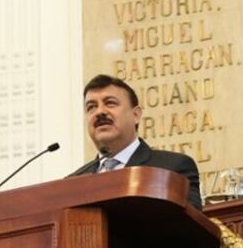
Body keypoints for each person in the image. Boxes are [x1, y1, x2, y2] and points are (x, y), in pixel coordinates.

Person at [69, 74, 203, 209]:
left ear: (136, 115)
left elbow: (190, 227)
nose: (100, 112)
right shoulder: (72, 183)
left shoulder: (172, 168)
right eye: (91, 107)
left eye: (110, 103)